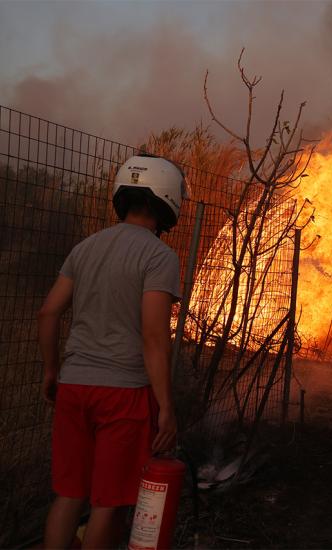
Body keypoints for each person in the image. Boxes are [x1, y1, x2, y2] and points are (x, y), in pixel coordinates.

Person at [38, 154, 187, 549]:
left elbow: (49, 311)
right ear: (169, 200)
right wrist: (166, 406)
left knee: (69, 493)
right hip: (123, 394)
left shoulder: (85, 248)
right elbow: (155, 337)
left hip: (73, 388)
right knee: (109, 501)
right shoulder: (159, 257)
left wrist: (52, 371)